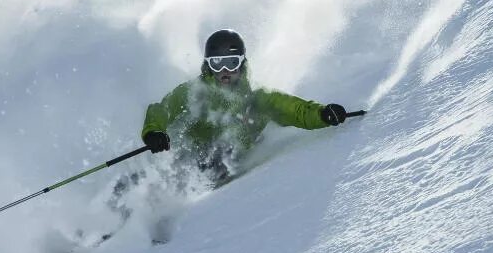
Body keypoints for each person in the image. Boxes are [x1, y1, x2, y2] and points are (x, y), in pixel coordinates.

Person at [138, 29, 351, 186]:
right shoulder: (194, 91)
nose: (224, 71)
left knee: (218, 155)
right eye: (217, 63)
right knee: (153, 175)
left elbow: (292, 109)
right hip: (189, 155)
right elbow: (163, 109)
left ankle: (170, 216)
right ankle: (118, 215)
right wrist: (154, 132)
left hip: (224, 161)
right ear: (208, 66)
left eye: (231, 63)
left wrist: (322, 114)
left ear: (241, 63)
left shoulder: (257, 98)